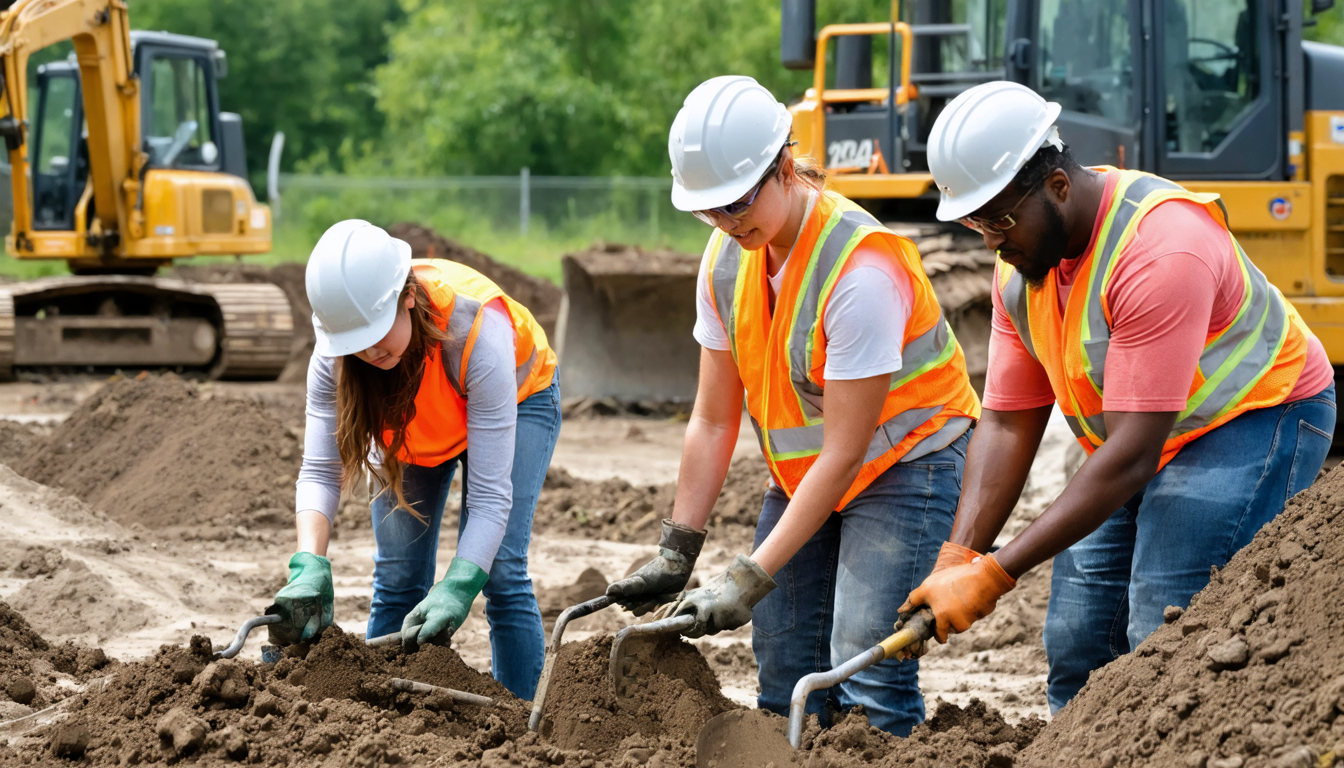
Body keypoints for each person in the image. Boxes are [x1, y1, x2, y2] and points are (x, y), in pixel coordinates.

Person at [900, 81, 1336, 713]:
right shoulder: (1020, 266)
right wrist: (959, 556)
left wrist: (994, 574)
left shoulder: (1159, 248)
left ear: (1057, 187)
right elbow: (1007, 422)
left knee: (1167, 626)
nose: (989, 240)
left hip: (1257, 416)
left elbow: (1131, 456)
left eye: (998, 219)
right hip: (1140, 435)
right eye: (974, 222)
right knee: (1078, 638)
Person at [605, 75, 982, 736]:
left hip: (904, 464)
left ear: (784, 168)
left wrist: (747, 578)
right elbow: (714, 418)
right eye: (709, 210)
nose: (725, 223)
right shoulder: (725, 262)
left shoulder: (859, 271)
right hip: (807, 475)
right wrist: (678, 550)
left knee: (865, 664)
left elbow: (843, 453)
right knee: (783, 663)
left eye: (737, 203)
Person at [265, 220, 561, 700]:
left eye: (376, 333)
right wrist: (309, 564)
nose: (368, 350)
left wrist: (460, 582)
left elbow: (488, 497)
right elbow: (321, 468)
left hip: (519, 399)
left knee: (501, 572)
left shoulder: (476, 333)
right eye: (353, 342)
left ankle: (521, 723)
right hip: (419, 421)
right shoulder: (341, 353)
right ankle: (372, 711)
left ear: (407, 296)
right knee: (399, 575)